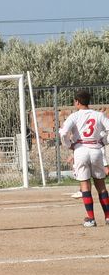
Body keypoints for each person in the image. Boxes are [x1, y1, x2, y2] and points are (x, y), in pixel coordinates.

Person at [59, 89, 109, 227]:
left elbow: (63, 133)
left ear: (77, 102)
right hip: (96, 150)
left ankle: (91, 219)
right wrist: (104, 141)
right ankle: (108, 217)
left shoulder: (74, 116)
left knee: (85, 185)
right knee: (101, 185)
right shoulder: (98, 115)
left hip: (80, 150)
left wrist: (68, 145)